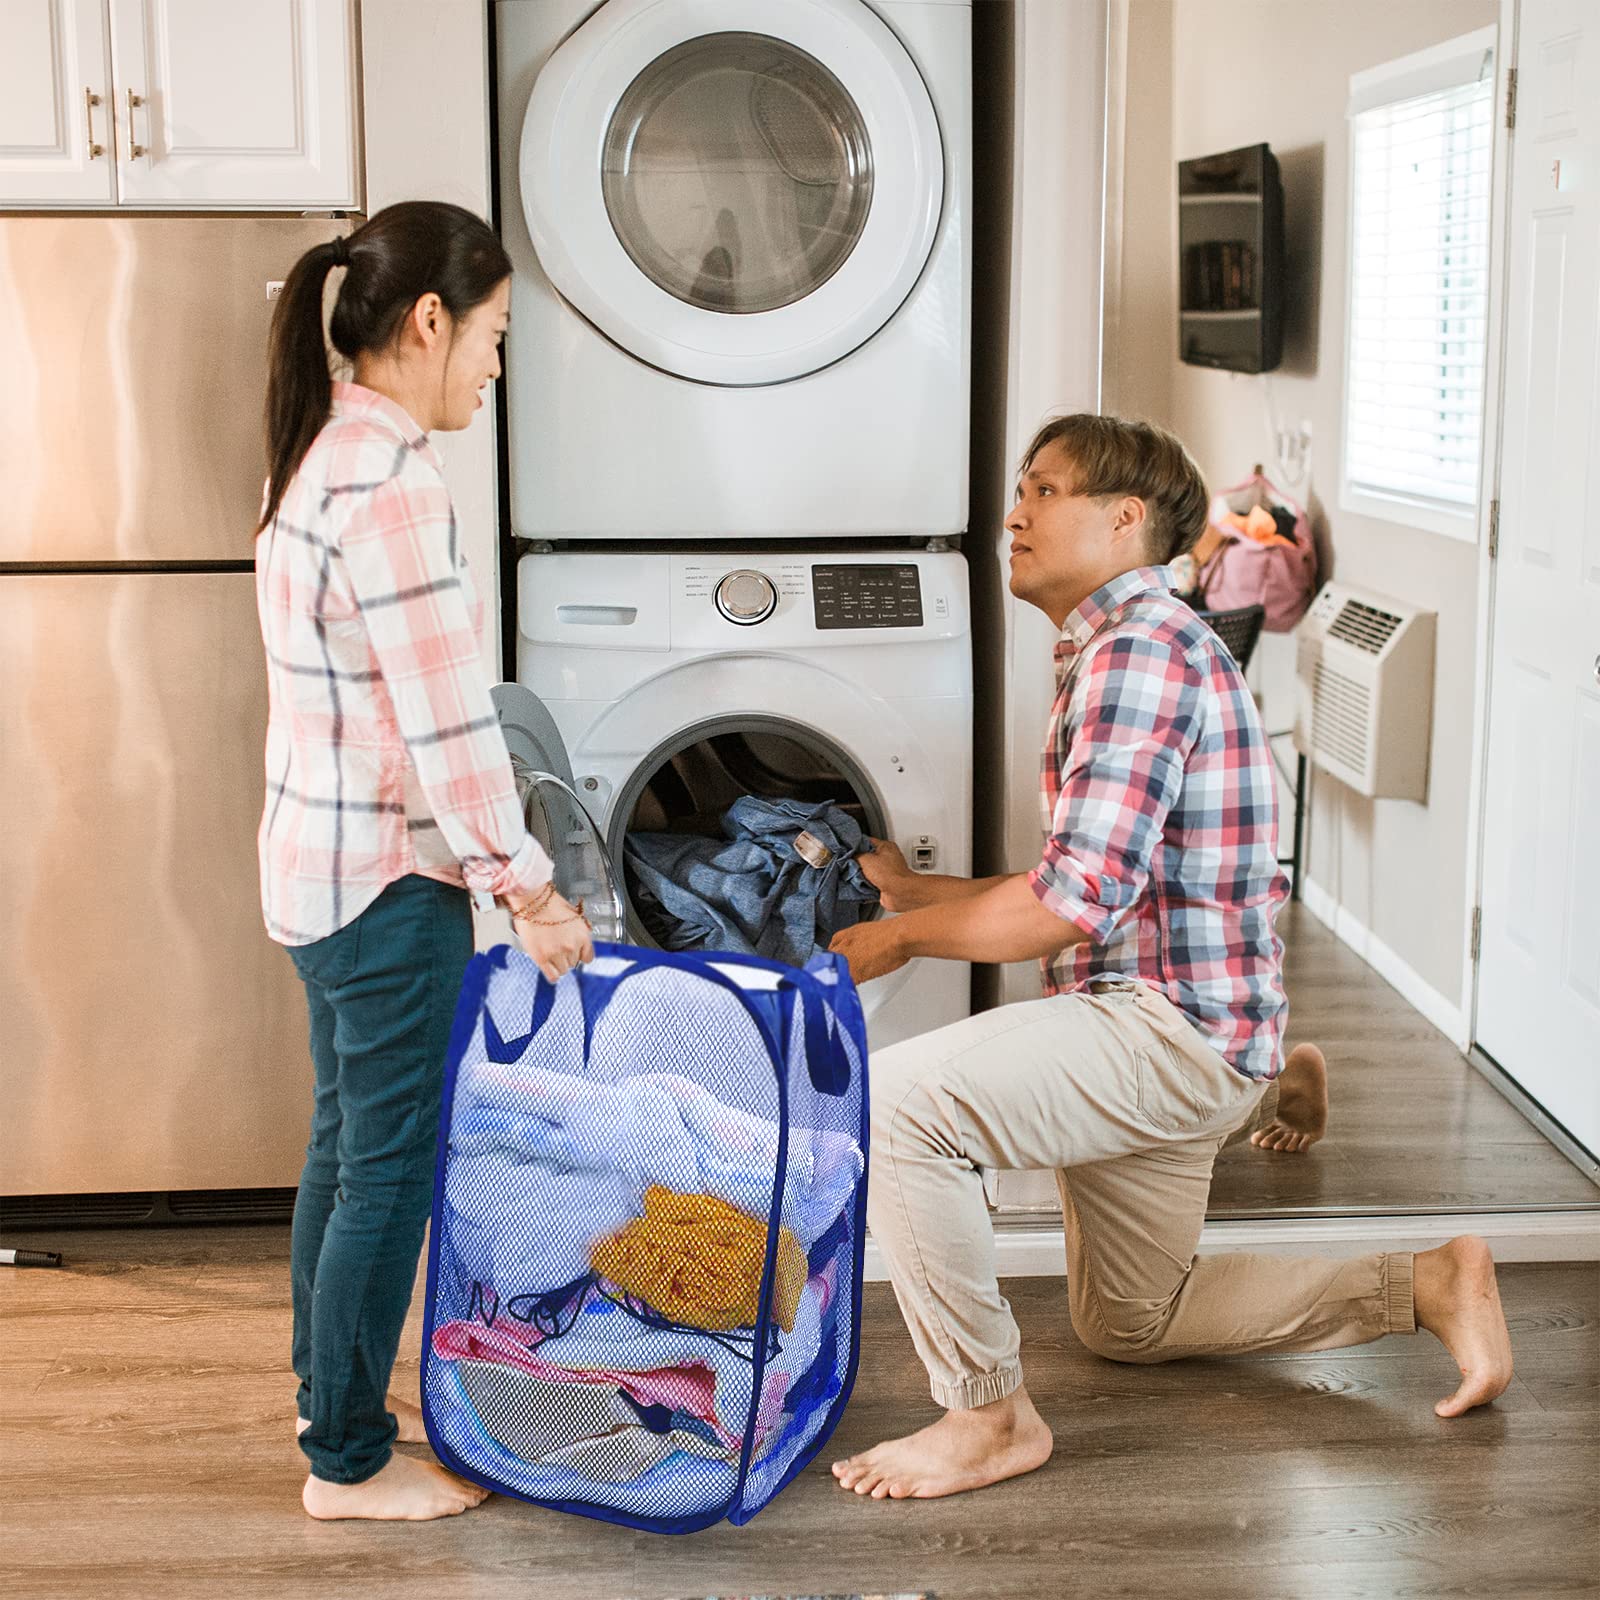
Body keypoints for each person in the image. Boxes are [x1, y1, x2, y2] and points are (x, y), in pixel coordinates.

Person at [827, 414, 1512, 1501]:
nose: (1013, 513)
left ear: (1123, 519)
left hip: (1162, 1025)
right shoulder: (1127, 644)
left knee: (902, 1103)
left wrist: (902, 934)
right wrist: (918, 894)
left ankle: (987, 1414)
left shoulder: (1139, 651)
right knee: (1130, 1322)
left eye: (1040, 491)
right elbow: (1091, 883)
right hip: (1181, 1015)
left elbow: (1068, 901)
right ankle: (1425, 1280)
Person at [254, 202, 593, 1522]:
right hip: (391, 888)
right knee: (385, 1162)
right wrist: (533, 886)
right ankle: (343, 1461)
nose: (498, 369)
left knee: (347, 1147)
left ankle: (325, 1401)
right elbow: (449, 727)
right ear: (432, 320)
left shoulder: (314, 448)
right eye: (495, 336)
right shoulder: (392, 482)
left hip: (314, 868)